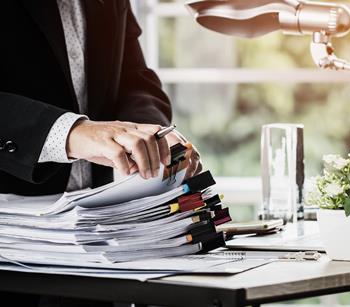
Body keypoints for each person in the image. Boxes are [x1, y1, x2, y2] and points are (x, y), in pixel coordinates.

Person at [0, 0, 201, 305]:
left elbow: (135, 79)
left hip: (95, 251)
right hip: (12, 258)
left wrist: (150, 134)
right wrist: (68, 133)